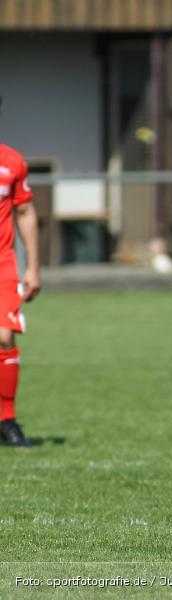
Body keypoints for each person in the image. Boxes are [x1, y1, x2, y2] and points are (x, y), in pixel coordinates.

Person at [0, 97, 42, 447]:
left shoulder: (12, 162)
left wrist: (34, 268)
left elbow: (25, 212)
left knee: (3, 336)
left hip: (3, 266)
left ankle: (6, 420)